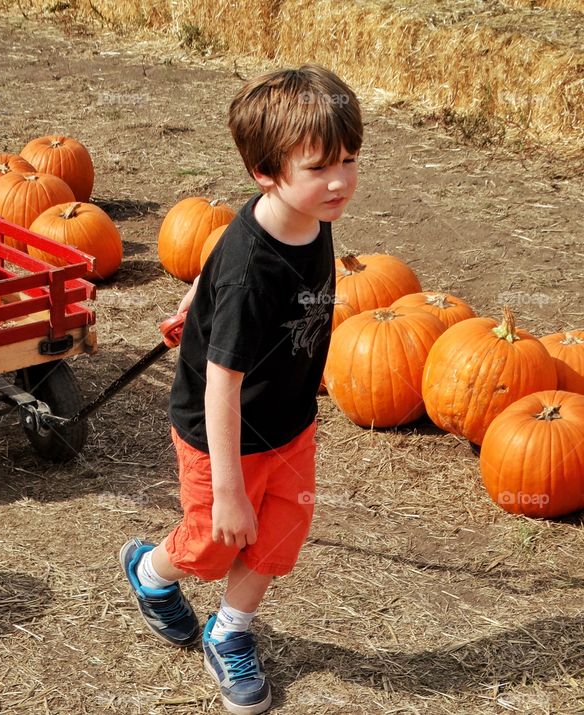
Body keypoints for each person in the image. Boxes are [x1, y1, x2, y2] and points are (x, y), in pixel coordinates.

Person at [120, 65, 363, 714]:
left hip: (290, 423)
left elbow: (223, 243)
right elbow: (220, 387)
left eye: (348, 159)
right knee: (214, 540)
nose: (340, 180)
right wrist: (228, 489)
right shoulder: (255, 271)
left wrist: (193, 296)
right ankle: (149, 570)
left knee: (281, 532)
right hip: (219, 435)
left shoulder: (308, 210)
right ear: (267, 172)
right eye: (320, 166)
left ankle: (228, 631)